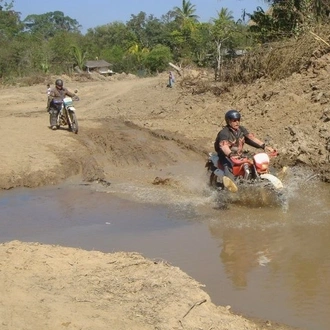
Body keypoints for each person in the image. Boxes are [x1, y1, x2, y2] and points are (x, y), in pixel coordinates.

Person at [213, 109, 274, 191]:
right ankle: (229, 189)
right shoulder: (224, 133)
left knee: (253, 163)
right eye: (234, 120)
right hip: (226, 156)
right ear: (229, 121)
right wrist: (230, 154)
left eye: (238, 120)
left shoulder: (241, 130)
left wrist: (264, 146)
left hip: (238, 155)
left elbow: (251, 138)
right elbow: (224, 146)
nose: (237, 122)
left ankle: (264, 178)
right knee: (228, 169)